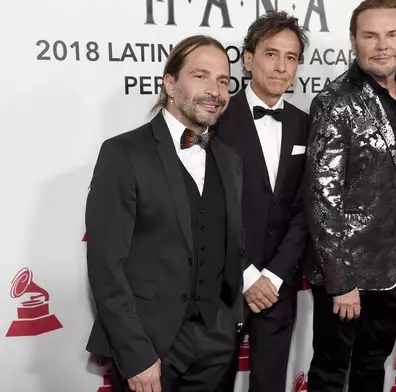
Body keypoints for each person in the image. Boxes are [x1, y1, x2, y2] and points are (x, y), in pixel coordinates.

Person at [85, 35, 245, 392]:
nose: (214, 90)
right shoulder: (123, 154)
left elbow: (231, 244)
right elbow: (106, 266)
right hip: (150, 343)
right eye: (200, 76)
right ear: (170, 84)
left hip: (217, 341)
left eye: (223, 80)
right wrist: (135, 353)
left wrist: (230, 323)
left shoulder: (230, 160)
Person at [304, 1, 396, 390]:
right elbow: (322, 197)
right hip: (347, 273)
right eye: (371, 35)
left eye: (392, 34)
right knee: (331, 372)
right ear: (354, 40)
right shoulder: (334, 101)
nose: (383, 45)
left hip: (390, 264)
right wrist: (340, 280)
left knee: (373, 364)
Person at [215, 11, 310, 392]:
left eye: (291, 57)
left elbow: (307, 207)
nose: (282, 66)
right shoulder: (216, 118)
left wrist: (272, 276)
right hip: (222, 285)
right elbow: (208, 210)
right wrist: (247, 275)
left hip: (280, 286)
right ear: (248, 58)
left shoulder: (307, 124)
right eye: (272, 54)